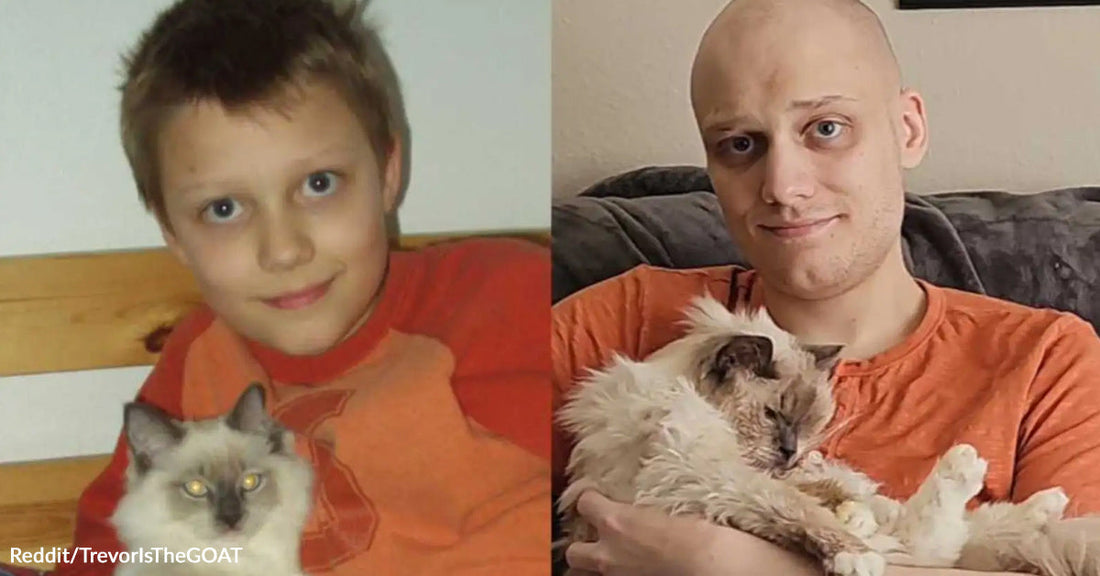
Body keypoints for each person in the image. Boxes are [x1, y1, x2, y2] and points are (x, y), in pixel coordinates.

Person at [551, 0, 1100, 574]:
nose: (783, 187)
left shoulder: (1043, 362)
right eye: (740, 144)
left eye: (826, 129)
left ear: (908, 130)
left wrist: (744, 565)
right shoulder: (616, 323)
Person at [47, 1, 549, 574]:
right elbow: (98, 554)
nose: (284, 250)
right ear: (174, 235)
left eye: (318, 183)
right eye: (224, 207)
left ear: (387, 174)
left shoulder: (501, 299)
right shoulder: (196, 361)